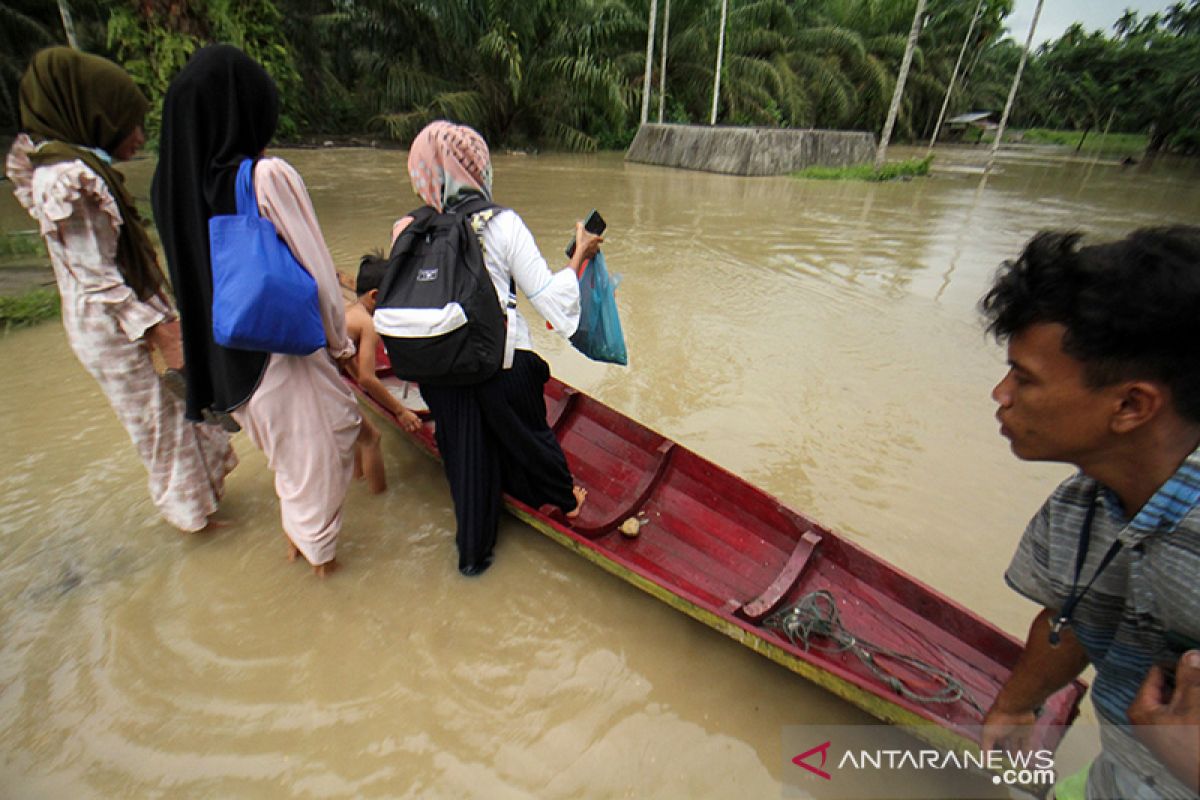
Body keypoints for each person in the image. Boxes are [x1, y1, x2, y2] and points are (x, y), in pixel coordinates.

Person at [979, 227, 1200, 799]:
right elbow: (1075, 617)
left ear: (1131, 405)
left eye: (1024, 378)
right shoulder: (1083, 508)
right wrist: (1015, 704)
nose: (1000, 394)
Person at [151, 45, 363, 577]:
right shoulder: (265, 178)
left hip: (226, 367)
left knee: (293, 461)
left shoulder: (169, 188)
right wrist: (341, 346)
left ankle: (299, 541)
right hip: (278, 354)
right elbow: (317, 274)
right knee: (328, 447)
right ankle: (326, 582)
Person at [5, 47, 236, 533]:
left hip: (133, 315)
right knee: (164, 429)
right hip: (116, 329)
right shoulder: (65, 178)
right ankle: (200, 531)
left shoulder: (80, 167)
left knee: (188, 413)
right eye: (130, 123)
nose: (138, 136)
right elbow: (97, 278)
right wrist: (159, 333)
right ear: (96, 117)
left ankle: (210, 510)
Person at [389, 120, 600, 576]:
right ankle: (566, 501)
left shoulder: (407, 229)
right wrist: (579, 253)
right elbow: (550, 301)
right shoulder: (501, 222)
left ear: (421, 172)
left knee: (468, 468)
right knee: (532, 436)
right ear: (477, 167)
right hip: (502, 371)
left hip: (440, 376)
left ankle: (473, 561)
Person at [343, 254, 422, 493]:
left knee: (355, 435)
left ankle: (358, 481)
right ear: (375, 296)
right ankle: (378, 498)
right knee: (371, 438)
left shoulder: (347, 311)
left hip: (319, 379)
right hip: (324, 384)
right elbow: (367, 378)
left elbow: (345, 359)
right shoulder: (368, 324)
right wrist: (401, 411)